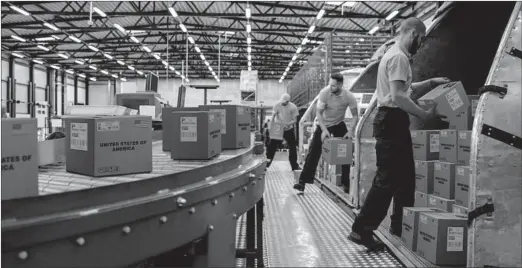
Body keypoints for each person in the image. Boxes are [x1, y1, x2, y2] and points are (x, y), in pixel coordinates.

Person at [348, 17, 450, 248]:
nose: (421, 44)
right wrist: (425, 116)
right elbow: (398, 97)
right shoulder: (398, 57)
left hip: (393, 120)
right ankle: (361, 230)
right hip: (391, 120)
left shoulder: (395, 55)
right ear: (413, 34)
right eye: (421, 40)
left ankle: (400, 225)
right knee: (387, 179)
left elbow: (406, 88)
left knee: (405, 177)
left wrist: (431, 83)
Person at [293, 73, 359, 192]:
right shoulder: (324, 93)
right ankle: (302, 182)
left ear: (340, 85)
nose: (331, 87)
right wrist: (324, 130)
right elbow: (318, 113)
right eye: (330, 84)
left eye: (333, 86)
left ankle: (346, 184)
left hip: (339, 124)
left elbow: (355, 116)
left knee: (346, 151)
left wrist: (350, 131)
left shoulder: (349, 96)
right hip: (323, 124)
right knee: (314, 152)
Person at [265, 93, 300, 171]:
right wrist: (272, 126)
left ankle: (294, 166)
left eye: (285, 102)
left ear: (288, 101)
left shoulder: (293, 107)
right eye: (282, 101)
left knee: (292, 147)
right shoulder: (277, 105)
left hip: (288, 129)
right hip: (278, 128)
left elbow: (295, 120)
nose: (282, 103)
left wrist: (287, 124)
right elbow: (273, 116)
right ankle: (266, 165)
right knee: (271, 147)